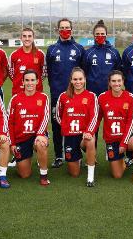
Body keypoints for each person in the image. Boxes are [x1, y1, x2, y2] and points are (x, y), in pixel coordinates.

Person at [46, 18, 85, 168]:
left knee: (77, 124)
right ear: (57, 30)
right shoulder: (52, 49)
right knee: (57, 125)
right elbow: (50, 72)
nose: (65, 30)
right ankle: (58, 156)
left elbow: (82, 72)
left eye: (67, 27)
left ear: (72, 30)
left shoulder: (79, 48)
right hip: (57, 94)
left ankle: (77, 155)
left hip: (75, 95)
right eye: (62, 28)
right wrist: (55, 87)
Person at [97, 70, 133, 184]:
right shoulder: (102, 97)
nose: (116, 83)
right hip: (112, 139)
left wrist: (124, 142)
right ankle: (125, 160)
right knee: (117, 175)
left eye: (119, 81)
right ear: (109, 82)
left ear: (123, 82)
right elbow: (97, 119)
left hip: (127, 137)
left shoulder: (130, 97)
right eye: (113, 81)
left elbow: (130, 122)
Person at [56, 67, 97, 187]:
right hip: (70, 135)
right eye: (75, 79)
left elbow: (94, 117)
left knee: (90, 141)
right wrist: (66, 126)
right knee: (74, 173)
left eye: (80, 79)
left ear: (84, 80)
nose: (78, 82)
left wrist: (89, 131)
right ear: (71, 80)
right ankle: (77, 157)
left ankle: (90, 176)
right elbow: (58, 115)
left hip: (84, 135)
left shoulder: (91, 96)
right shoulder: (63, 96)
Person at [7, 70, 50, 186]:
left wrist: (40, 134)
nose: (30, 83)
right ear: (22, 82)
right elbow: (10, 123)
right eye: (27, 80)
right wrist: (12, 143)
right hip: (21, 137)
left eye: (32, 80)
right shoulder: (15, 99)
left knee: (41, 144)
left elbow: (45, 118)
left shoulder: (43, 97)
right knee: (24, 175)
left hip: (37, 135)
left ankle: (43, 175)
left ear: (37, 81)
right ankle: (23, 159)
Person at [81, 20, 122, 96]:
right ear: (94, 35)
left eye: (102, 34)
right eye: (97, 34)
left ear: (106, 35)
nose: (100, 36)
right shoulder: (88, 53)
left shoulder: (114, 52)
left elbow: (118, 71)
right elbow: (84, 72)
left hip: (110, 93)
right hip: (92, 93)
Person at [9, 27, 45, 96]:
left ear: (33, 38)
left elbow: (44, 74)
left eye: (29, 36)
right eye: (24, 36)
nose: (27, 39)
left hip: (37, 92)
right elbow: (11, 74)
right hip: (18, 92)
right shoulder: (14, 55)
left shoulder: (40, 54)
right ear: (21, 38)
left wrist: (34, 82)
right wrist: (19, 81)